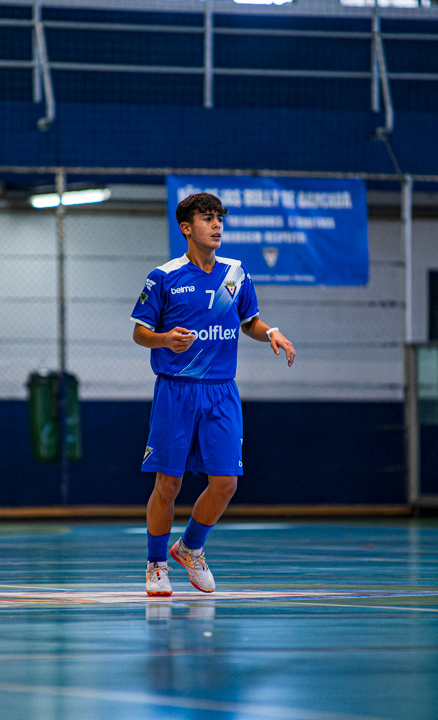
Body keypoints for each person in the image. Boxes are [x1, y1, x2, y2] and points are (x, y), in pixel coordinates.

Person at [130, 191, 295, 596]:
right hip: (176, 391)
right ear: (186, 228)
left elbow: (249, 321)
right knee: (168, 484)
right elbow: (140, 333)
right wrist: (165, 339)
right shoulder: (164, 276)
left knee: (226, 483)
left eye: (219, 218)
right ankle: (156, 565)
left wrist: (271, 332)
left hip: (222, 391)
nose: (217, 224)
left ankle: (190, 548)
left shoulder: (236, 274)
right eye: (207, 218)